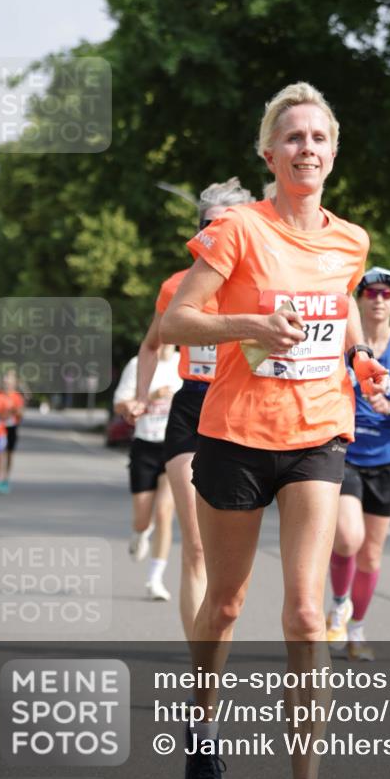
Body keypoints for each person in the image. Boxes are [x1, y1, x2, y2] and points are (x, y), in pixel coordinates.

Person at [160, 82, 387, 779]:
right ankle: (201, 732)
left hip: (318, 432)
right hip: (233, 433)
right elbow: (175, 323)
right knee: (225, 602)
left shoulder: (350, 239)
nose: (307, 149)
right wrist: (248, 328)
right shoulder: (237, 232)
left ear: (333, 153)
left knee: (305, 610)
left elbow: (341, 301)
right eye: (293, 137)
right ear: (269, 151)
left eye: (318, 138)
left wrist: (357, 356)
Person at [124, 178, 255, 635]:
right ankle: (203, 674)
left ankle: (215, 634)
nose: (212, 235)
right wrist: (141, 394)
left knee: (233, 559)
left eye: (222, 226)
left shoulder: (259, 286)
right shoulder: (176, 287)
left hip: (243, 408)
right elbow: (149, 345)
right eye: (205, 226)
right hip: (192, 406)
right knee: (197, 545)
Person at [325, 267, 390, 661]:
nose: (379, 299)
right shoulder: (342, 342)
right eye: (370, 292)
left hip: (388, 459)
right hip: (345, 453)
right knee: (347, 538)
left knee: (370, 555)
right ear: (360, 300)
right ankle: (338, 605)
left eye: (387, 293)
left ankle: (356, 631)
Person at [113, 344, 182, 600]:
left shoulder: (184, 362)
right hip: (145, 447)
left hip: (176, 445)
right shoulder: (139, 363)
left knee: (165, 511)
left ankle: (155, 580)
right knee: (143, 519)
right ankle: (140, 533)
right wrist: (150, 397)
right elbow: (119, 405)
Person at [0, 370, 25, 493]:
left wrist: (13, 410)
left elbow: (21, 414)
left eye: (10, 380)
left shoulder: (17, 397)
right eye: (6, 379)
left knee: (8, 455)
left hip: (12, 428)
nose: (7, 382)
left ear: (15, 383)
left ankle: (5, 479)